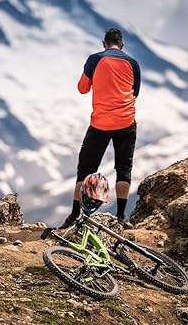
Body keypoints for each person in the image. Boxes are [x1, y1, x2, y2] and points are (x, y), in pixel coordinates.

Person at [59, 28, 140, 229]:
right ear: (122, 46)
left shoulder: (95, 60)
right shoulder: (133, 63)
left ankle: (74, 215)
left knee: (85, 170)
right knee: (124, 170)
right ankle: (122, 218)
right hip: (126, 122)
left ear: (103, 44)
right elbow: (134, 92)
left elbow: (82, 88)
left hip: (100, 123)